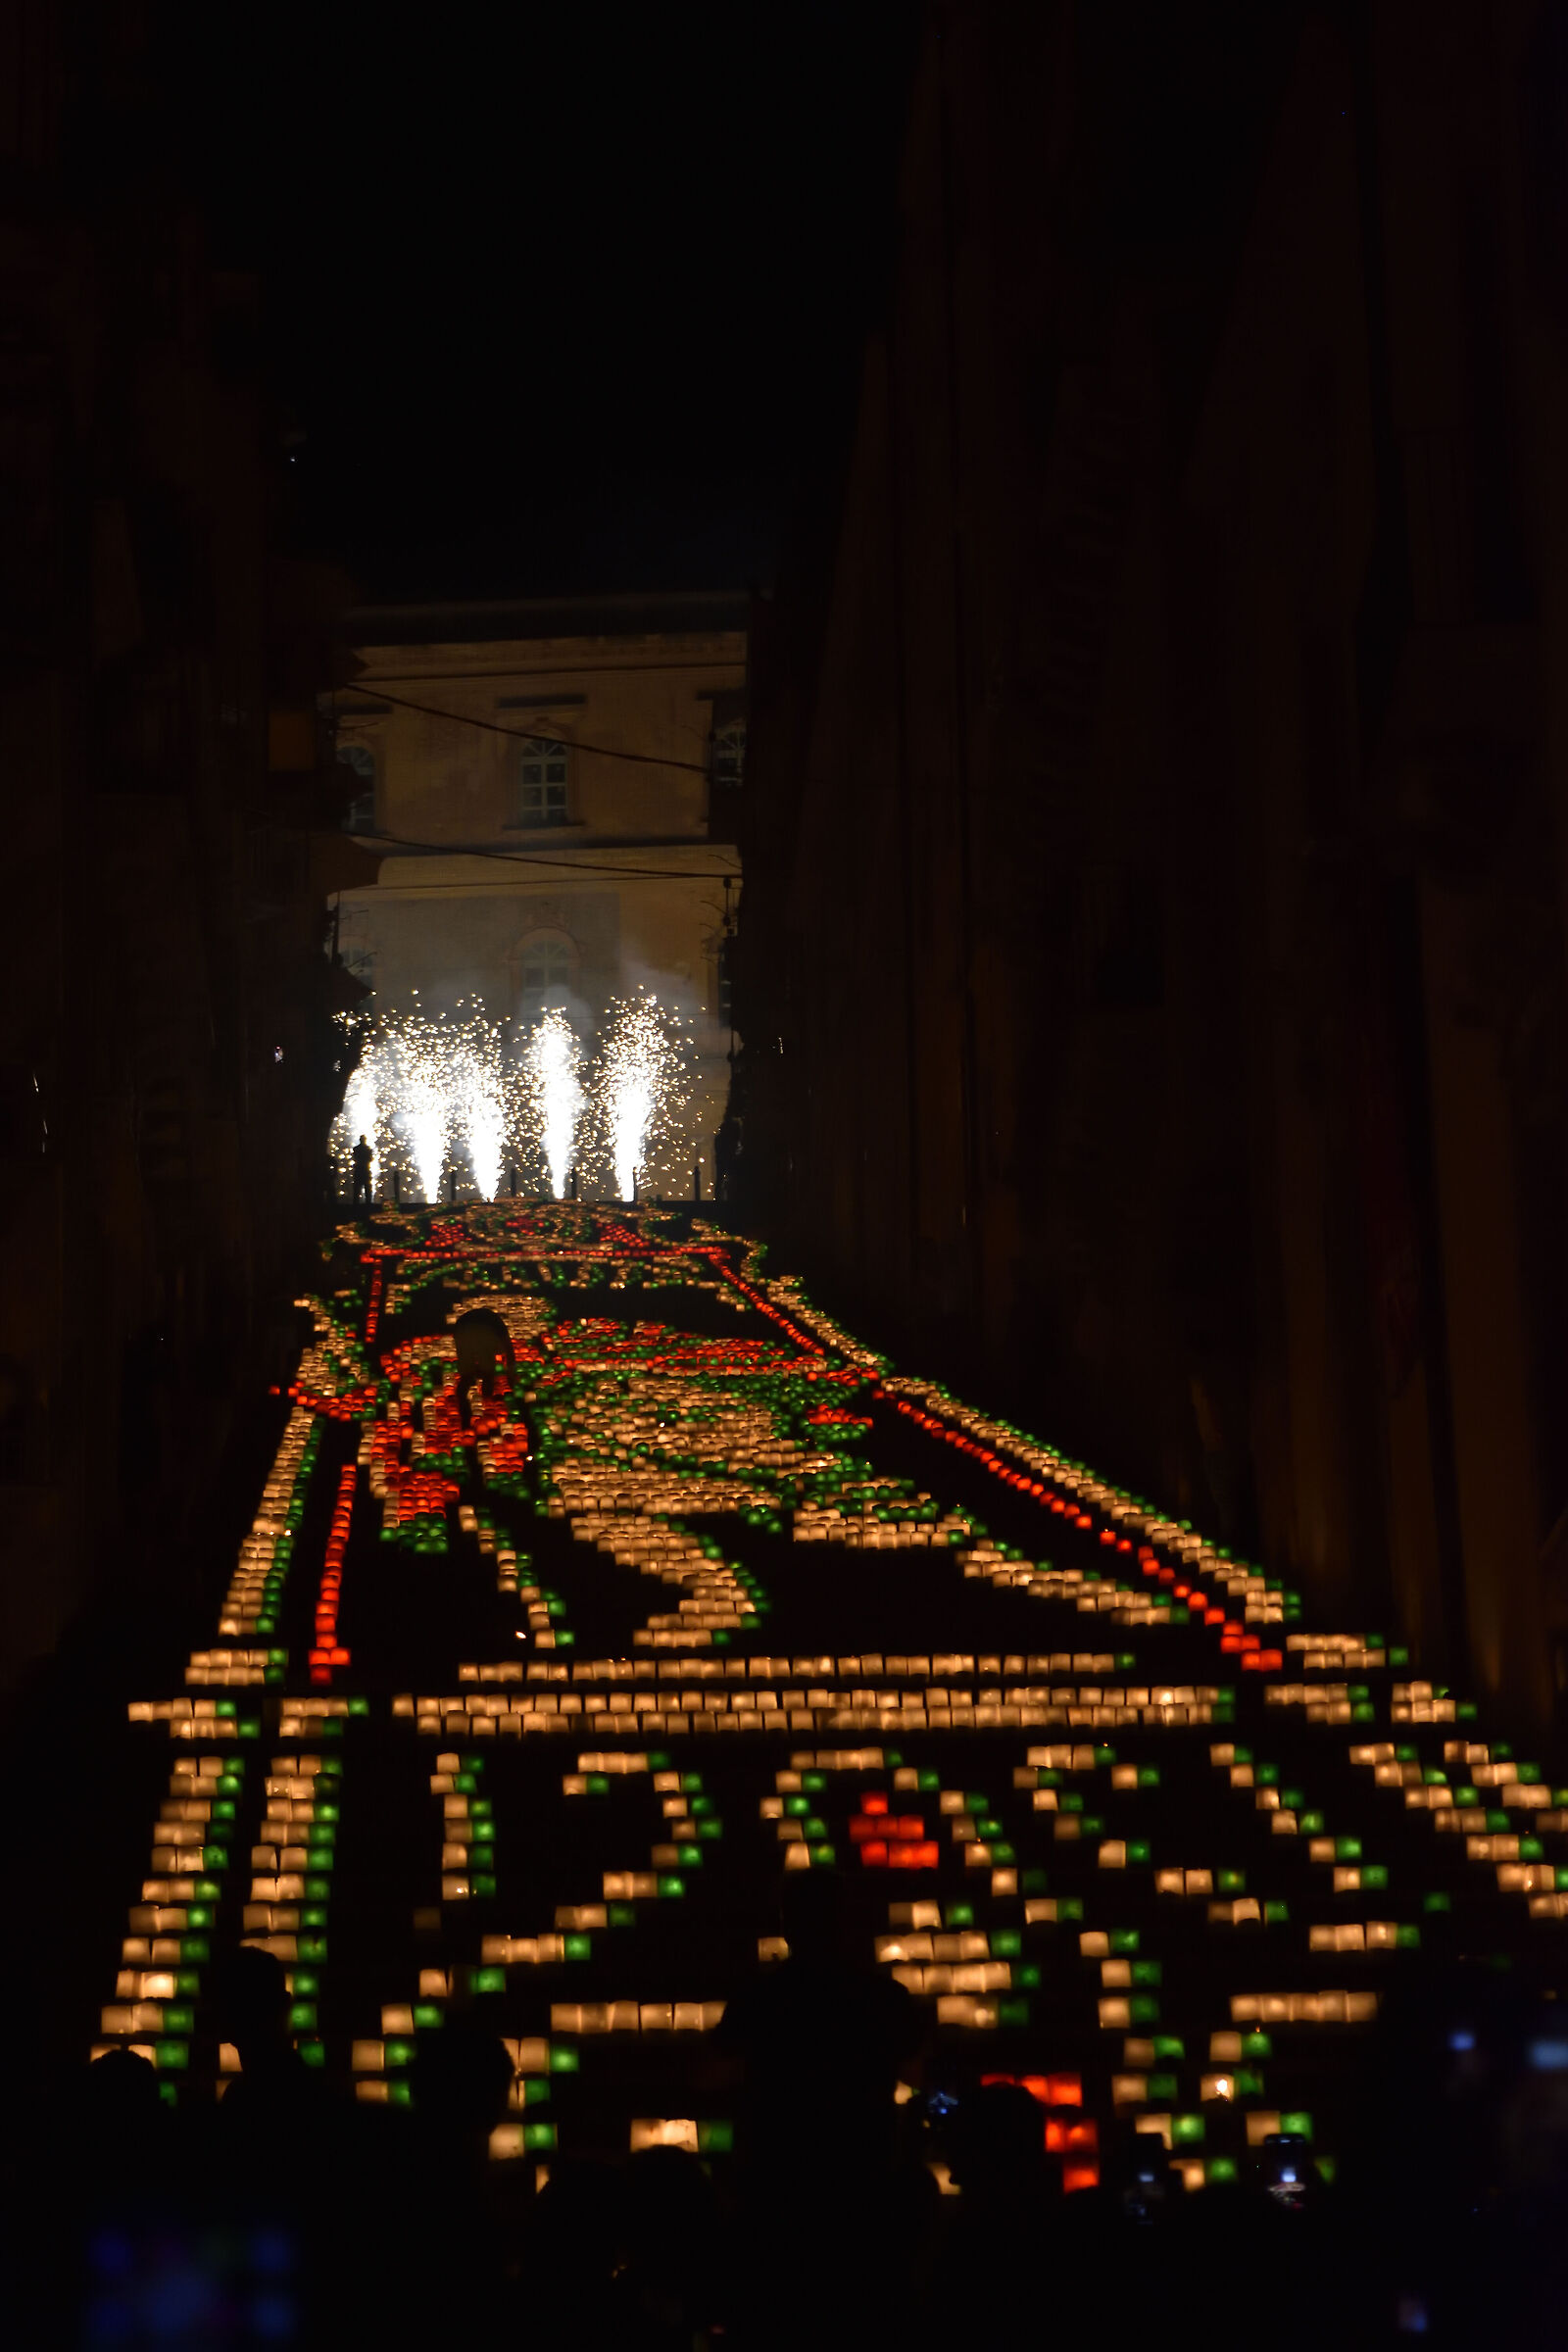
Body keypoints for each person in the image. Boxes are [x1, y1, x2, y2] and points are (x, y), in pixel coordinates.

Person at [351, 1133, 374, 1209]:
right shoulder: (368, 1149)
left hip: (358, 1170)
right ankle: (368, 1204)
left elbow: (355, 1158)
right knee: (367, 1188)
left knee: (357, 1188)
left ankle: (356, 1205)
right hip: (365, 1170)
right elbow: (370, 1159)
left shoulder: (356, 1149)